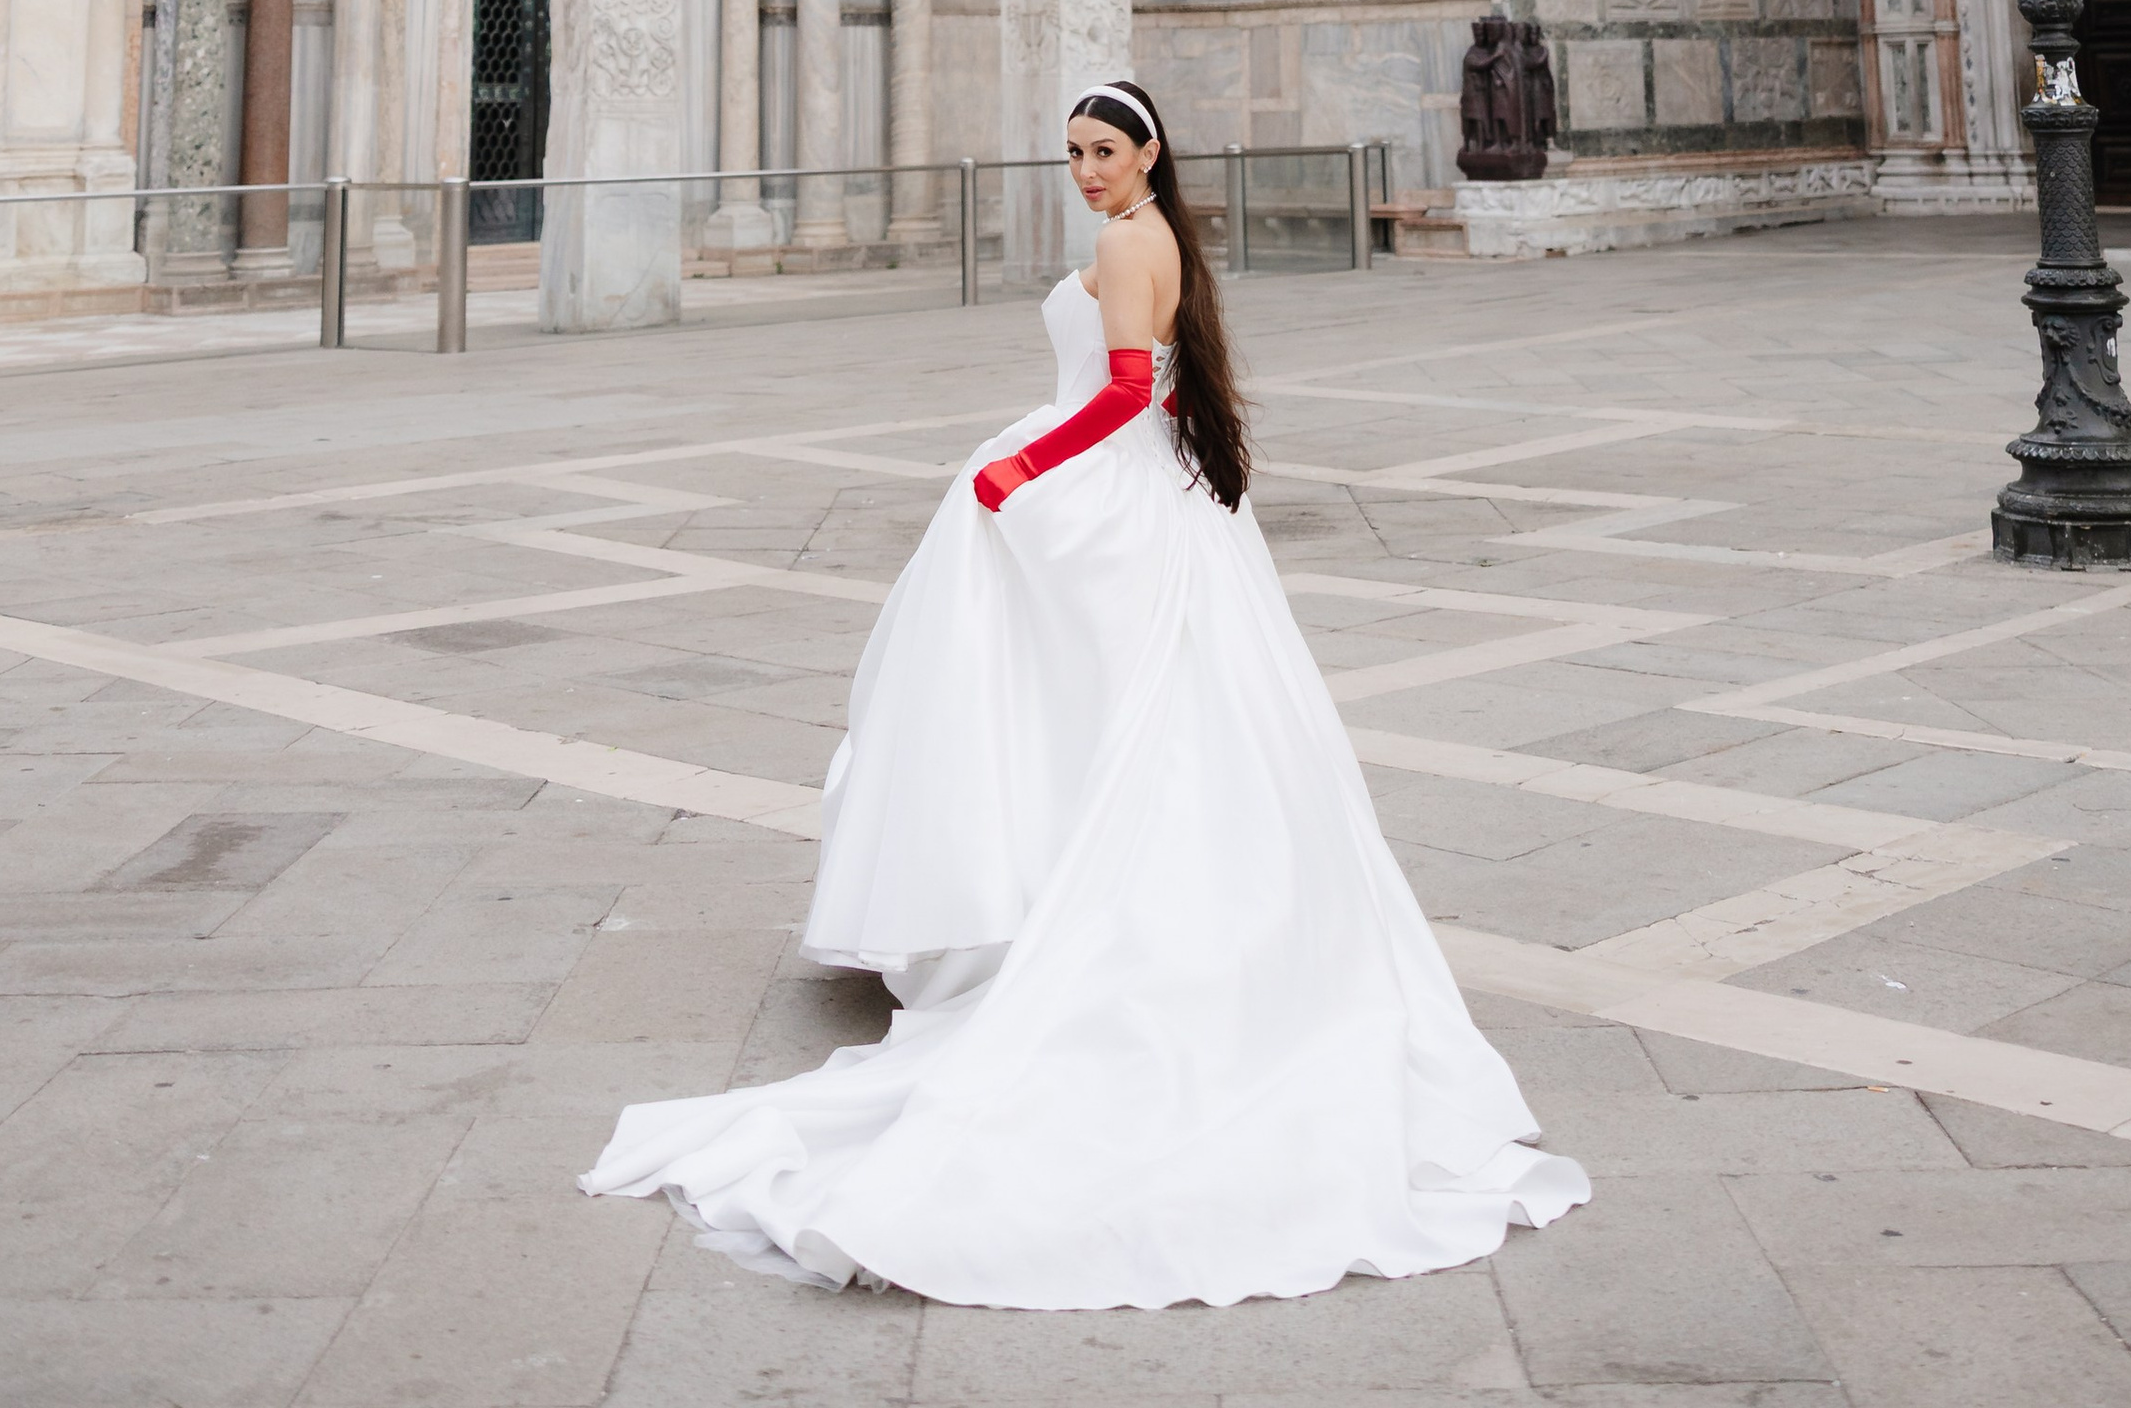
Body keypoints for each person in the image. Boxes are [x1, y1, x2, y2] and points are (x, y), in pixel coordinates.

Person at [580, 80, 1589, 1309]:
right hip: (1146, 493)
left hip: (1105, 484)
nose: (1087, 169)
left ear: (1149, 150)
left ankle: (1070, 903)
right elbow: (1162, 387)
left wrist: (1017, 468)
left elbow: (1120, 391)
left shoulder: (1126, 241)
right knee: (1118, 709)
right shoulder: (1160, 235)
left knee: (1068, 700)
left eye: (1104, 149)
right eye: (1071, 152)